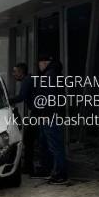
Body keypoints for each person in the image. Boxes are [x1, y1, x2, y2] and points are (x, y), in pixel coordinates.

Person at [36, 54, 68, 185]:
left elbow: (49, 98)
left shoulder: (49, 75)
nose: (39, 65)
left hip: (50, 116)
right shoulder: (55, 74)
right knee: (52, 144)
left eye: (40, 62)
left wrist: (45, 114)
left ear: (45, 62)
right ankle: (53, 170)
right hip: (55, 115)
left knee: (55, 146)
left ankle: (60, 174)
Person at [9, 63, 37, 177]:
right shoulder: (29, 79)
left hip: (38, 113)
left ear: (21, 72)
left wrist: (7, 100)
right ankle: (29, 167)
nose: (13, 74)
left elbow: (21, 97)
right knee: (30, 139)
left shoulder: (26, 81)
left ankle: (29, 167)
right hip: (37, 112)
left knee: (29, 139)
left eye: (15, 72)